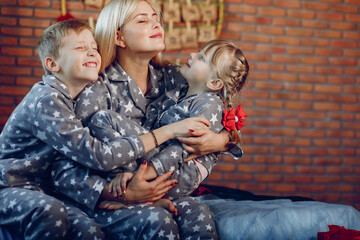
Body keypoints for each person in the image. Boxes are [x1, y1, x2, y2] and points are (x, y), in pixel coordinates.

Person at [50, 0, 237, 239]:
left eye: (156, 17)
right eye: (142, 20)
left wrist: (220, 140)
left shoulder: (175, 77)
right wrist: (124, 195)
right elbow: (62, 169)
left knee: (200, 216)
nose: (156, 23)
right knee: (157, 221)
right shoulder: (96, 89)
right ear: (119, 37)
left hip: (167, 190)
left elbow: (218, 107)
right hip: (112, 200)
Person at [90, 39, 249, 208]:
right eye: (199, 51)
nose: (192, 54)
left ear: (215, 83)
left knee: (103, 119)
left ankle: (132, 195)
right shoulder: (178, 90)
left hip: (176, 172)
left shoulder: (209, 104)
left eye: (202, 58)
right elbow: (152, 127)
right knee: (108, 122)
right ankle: (139, 196)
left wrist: (141, 174)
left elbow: (182, 150)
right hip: (159, 158)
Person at [0, 19, 106, 240]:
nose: (91, 53)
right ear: (53, 64)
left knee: (89, 230)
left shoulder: (80, 97)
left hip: (43, 189)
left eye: (94, 48)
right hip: (8, 186)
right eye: (80, 48)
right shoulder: (46, 98)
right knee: (49, 211)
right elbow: (90, 152)